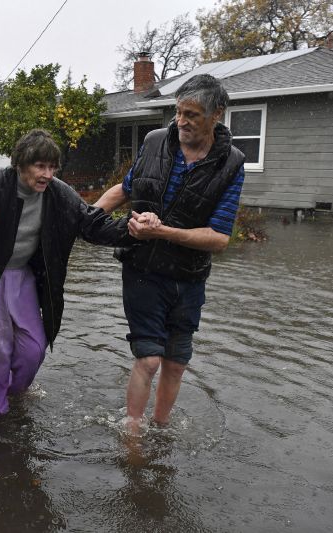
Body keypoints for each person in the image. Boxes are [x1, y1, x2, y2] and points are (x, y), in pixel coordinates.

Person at [94, 74, 246, 432]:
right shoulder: (155, 142)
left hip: (189, 278)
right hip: (142, 269)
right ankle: (132, 432)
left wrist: (162, 230)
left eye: (192, 115)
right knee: (148, 360)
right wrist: (85, 219)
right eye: (179, 112)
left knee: (175, 363)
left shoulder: (232, 164)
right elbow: (126, 188)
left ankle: (160, 429)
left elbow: (219, 238)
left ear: (216, 115)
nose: (182, 122)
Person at [0, 129, 131, 416]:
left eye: (52, 167)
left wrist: (132, 227)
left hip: (23, 277)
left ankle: (12, 396)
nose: (47, 174)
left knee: (34, 347)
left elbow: (91, 224)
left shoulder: (60, 194)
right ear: (20, 164)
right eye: (40, 166)